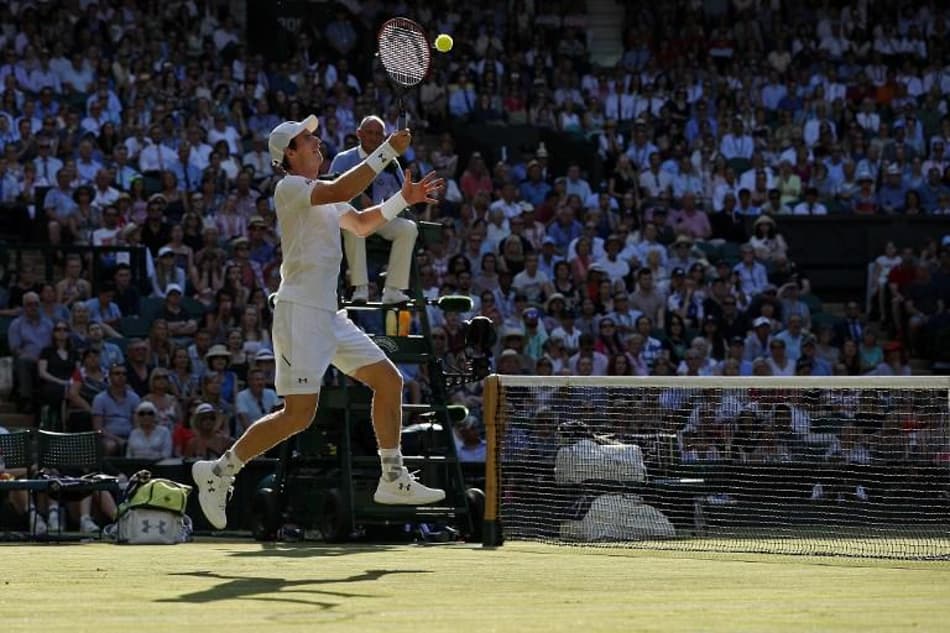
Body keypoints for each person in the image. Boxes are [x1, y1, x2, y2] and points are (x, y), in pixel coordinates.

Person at [192, 115, 446, 530]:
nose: (316, 142)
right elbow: (346, 188)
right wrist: (385, 153)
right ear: (288, 155)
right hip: (300, 314)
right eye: (306, 139)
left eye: (313, 136)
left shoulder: (325, 196)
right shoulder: (290, 187)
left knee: (389, 381)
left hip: (330, 315)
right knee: (298, 415)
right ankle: (219, 472)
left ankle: (392, 476)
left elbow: (362, 225)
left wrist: (403, 199)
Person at [328, 115, 417, 304]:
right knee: (354, 227)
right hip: (348, 217)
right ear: (359, 134)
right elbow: (331, 190)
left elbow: (402, 192)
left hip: (378, 216)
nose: (373, 138)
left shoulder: (391, 162)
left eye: (378, 134)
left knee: (408, 228)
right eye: (369, 132)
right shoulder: (343, 159)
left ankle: (393, 289)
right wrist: (357, 197)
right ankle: (360, 289)